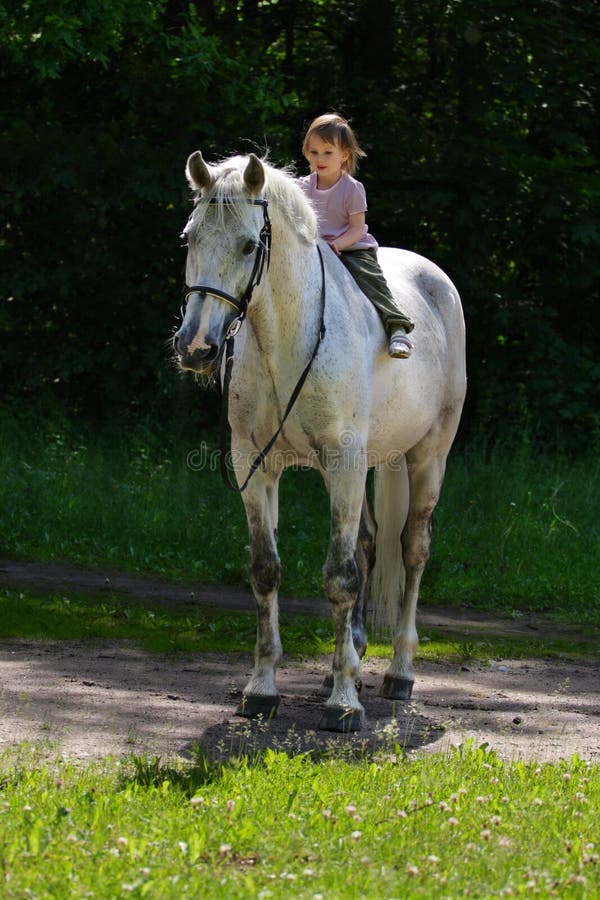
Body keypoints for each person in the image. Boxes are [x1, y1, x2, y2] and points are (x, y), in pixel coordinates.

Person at [298, 113, 414, 359]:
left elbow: (357, 228)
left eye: (328, 152)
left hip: (351, 247)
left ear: (345, 155)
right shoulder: (302, 187)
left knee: (369, 278)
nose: (320, 158)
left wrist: (337, 244)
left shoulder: (352, 188)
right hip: (314, 248)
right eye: (314, 151)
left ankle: (396, 325)